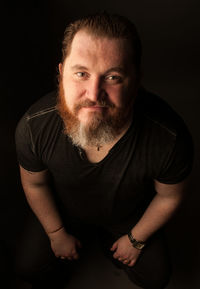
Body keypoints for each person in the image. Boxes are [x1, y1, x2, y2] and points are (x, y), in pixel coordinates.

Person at [15, 12, 193, 289]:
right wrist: (56, 232)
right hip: (65, 213)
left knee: (155, 277)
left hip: (128, 216)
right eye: (81, 74)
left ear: (136, 80)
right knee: (27, 268)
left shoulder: (169, 137)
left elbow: (170, 195)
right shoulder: (34, 126)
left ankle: (107, 241)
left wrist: (136, 239)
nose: (94, 93)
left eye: (112, 77)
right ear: (62, 73)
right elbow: (35, 183)